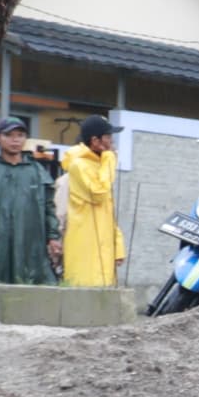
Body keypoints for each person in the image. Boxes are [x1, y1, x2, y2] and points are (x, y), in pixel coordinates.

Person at [0, 114, 60, 285]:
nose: (15, 140)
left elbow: (49, 208)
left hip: (31, 249)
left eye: (20, 135)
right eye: (9, 135)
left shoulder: (36, 172)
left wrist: (53, 237)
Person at [58, 117, 125, 289]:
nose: (112, 142)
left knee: (102, 297)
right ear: (95, 141)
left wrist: (118, 247)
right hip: (85, 247)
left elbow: (108, 213)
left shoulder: (100, 165)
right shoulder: (79, 165)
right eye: (108, 137)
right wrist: (110, 159)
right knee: (83, 295)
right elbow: (98, 193)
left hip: (103, 248)